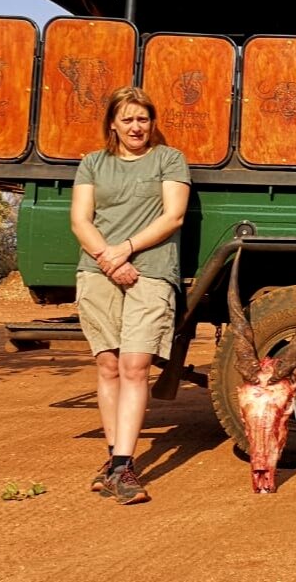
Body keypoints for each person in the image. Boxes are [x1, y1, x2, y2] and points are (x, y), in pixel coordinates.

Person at [70, 86, 190, 504]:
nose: (136, 126)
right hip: (99, 271)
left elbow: (172, 216)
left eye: (142, 119)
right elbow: (80, 221)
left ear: (151, 122)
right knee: (107, 366)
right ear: (112, 124)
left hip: (150, 272)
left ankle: (123, 465)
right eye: (127, 119)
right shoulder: (92, 163)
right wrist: (108, 259)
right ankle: (113, 459)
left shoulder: (168, 159)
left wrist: (126, 250)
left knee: (135, 366)